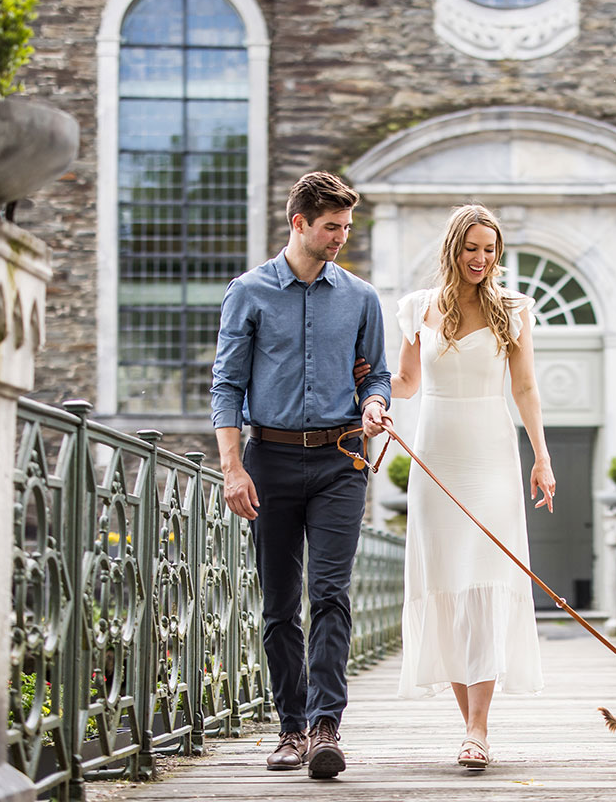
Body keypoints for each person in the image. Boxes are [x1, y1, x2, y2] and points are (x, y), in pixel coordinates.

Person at [211, 171, 391, 780]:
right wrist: (232, 468)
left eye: (346, 226)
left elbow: (376, 374)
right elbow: (227, 386)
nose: (341, 236)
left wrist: (373, 404)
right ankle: (289, 727)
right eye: (331, 227)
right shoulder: (249, 292)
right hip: (270, 462)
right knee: (280, 603)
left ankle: (324, 727)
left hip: (342, 461)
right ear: (299, 224)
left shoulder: (361, 298)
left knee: (331, 594)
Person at [387, 203, 557, 770]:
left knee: (484, 580)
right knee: (446, 583)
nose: (481, 259)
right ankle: (467, 724)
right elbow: (407, 382)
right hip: (436, 454)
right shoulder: (417, 308)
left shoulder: (514, 309)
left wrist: (542, 457)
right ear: (453, 249)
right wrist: (374, 399)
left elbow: (526, 388)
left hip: (491, 454)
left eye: (490, 250)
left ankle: (479, 728)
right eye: (472, 248)